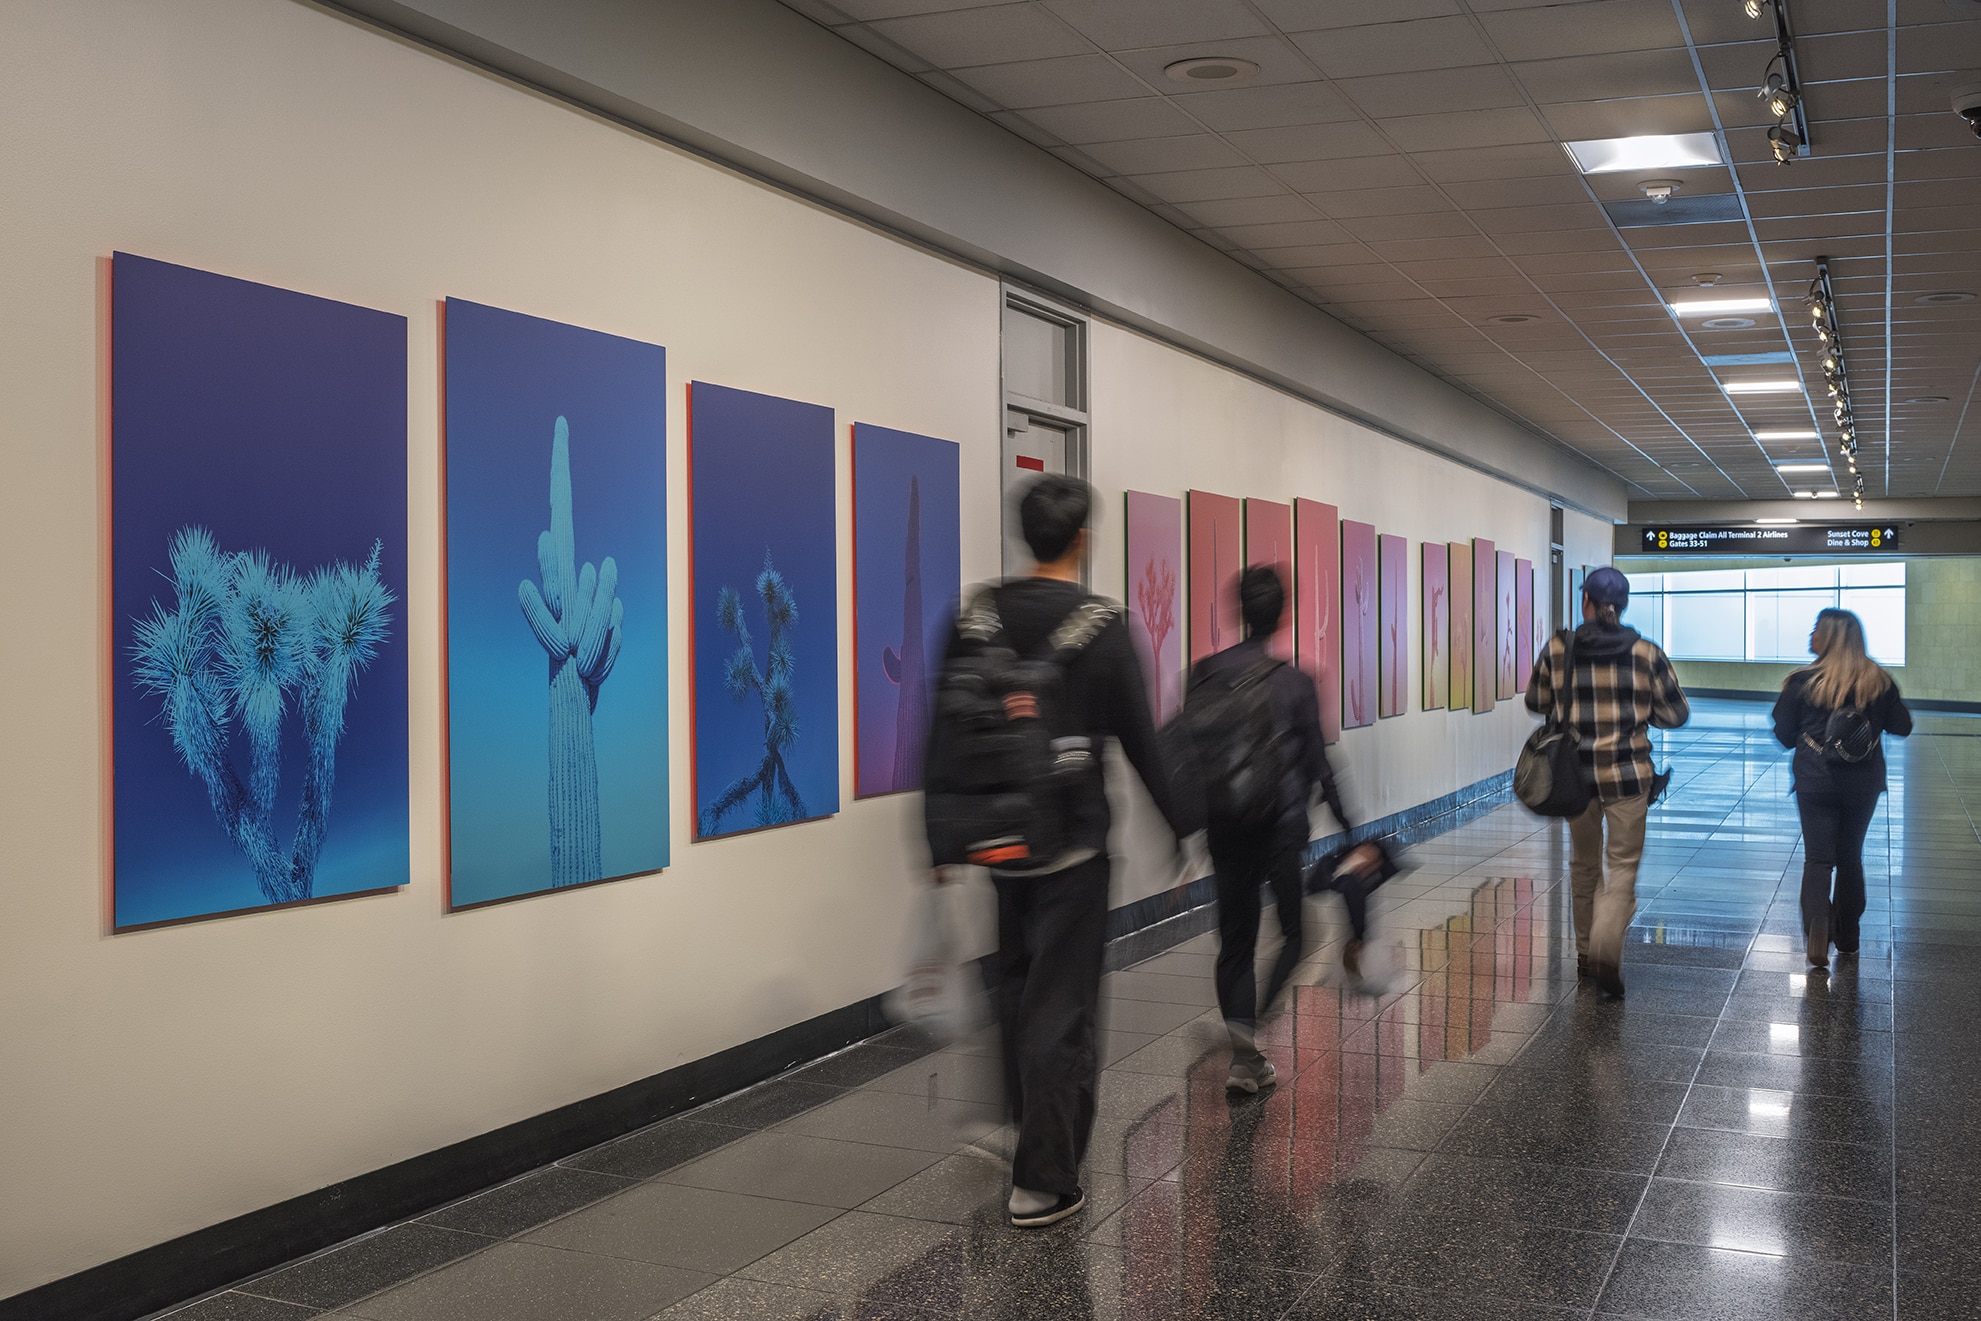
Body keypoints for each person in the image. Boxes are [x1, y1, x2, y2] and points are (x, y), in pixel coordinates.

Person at [931, 474, 1181, 1229]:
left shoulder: (975, 617)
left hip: (999, 843)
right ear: (1082, 540)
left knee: (1014, 987)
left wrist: (939, 839)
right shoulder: (1103, 627)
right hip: (1072, 845)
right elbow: (1142, 741)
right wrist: (1184, 823)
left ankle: (1023, 1125)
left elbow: (941, 734)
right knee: (1060, 1008)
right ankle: (1043, 1182)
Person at [1185, 566, 1371, 1094]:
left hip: (1225, 827)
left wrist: (1183, 826)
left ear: (1239, 611)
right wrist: (1351, 829)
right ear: (1282, 615)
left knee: (1235, 943)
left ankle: (1244, 1052)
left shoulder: (1204, 674)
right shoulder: (1295, 683)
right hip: (1281, 827)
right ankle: (1249, 1037)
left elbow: (1190, 755)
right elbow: (1320, 765)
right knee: (1295, 933)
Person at [1524, 566, 1689, 999]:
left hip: (1574, 779)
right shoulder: (1646, 654)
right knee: (1622, 868)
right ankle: (1605, 945)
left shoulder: (1559, 649)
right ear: (1624, 605)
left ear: (1587, 603)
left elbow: (1536, 701)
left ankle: (1585, 954)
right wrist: (1640, 712)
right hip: (1628, 778)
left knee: (1584, 865)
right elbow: (1676, 714)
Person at [1771, 607, 1912, 969]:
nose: (1811, 635)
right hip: (1862, 783)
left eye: (1816, 629)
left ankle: (1817, 927)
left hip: (1815, 780)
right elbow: (1903, 726)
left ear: (1830, 637)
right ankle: (1848, 937)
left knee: (1818, 859)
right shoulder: (1878, 681)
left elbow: (1783, 735)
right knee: (1850, 857)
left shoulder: (1802, 682)